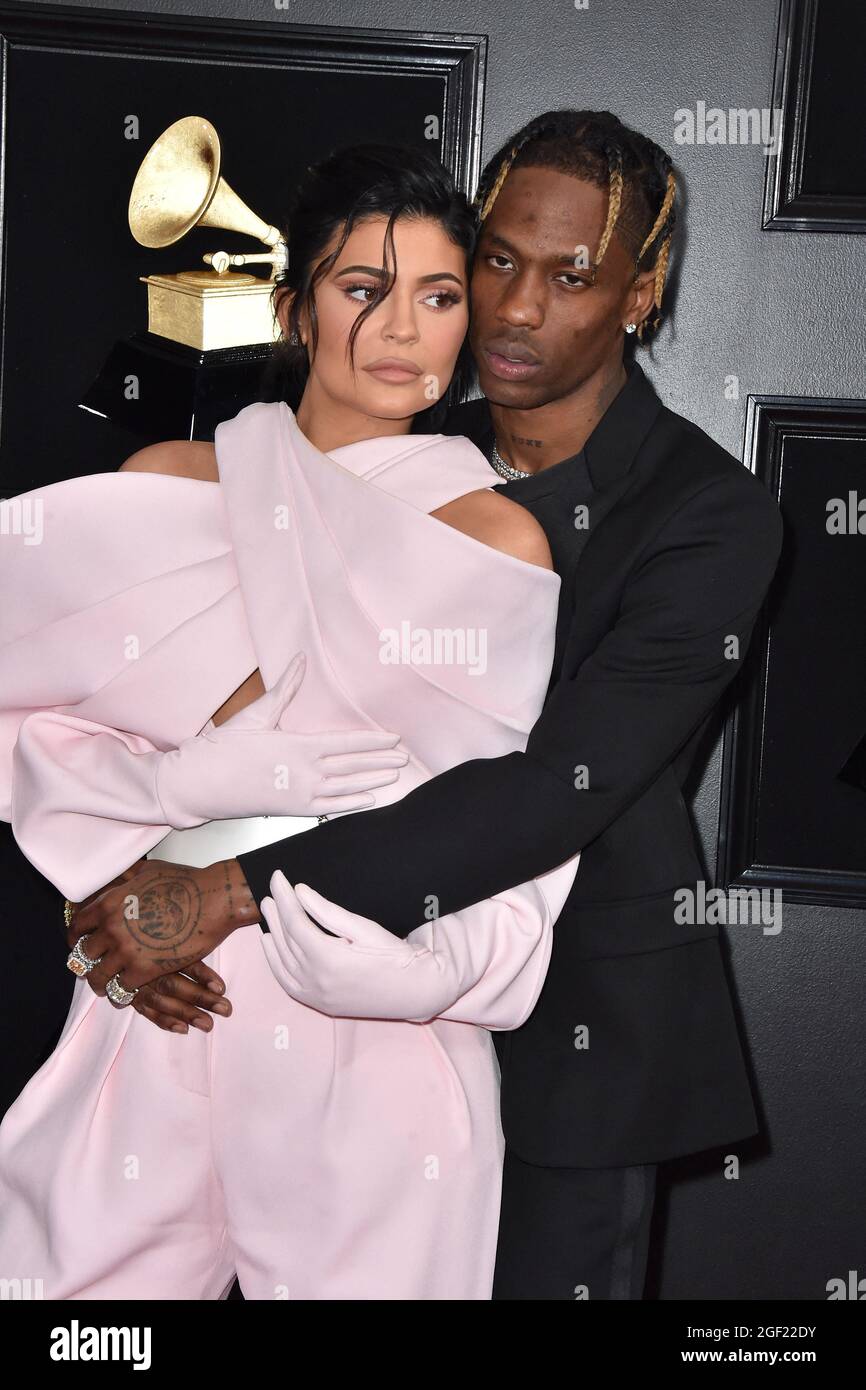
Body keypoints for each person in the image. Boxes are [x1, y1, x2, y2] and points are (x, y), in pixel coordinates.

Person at [88, 110, 786, 1300]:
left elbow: (549, 788)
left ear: (640, 292)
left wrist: (215, 894)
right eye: (499, 259)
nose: (516, 307)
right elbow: (241, 706)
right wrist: (130, 876)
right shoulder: (405, 441)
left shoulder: (709, 517)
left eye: (572, 276)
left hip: (576, 1025)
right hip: (323, 1010)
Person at [0, 143, 581, 1300]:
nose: (400, 328)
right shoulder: (166, 479)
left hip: (363, 1010)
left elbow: (508, 819)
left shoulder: (495, 537)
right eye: (361, 288)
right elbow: (33, 717)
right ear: (293, 306)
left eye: (438, 295)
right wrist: (152, 822)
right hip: (154, 990)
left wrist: (429, 974)